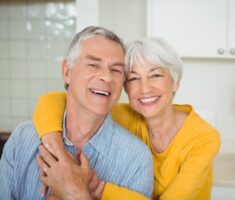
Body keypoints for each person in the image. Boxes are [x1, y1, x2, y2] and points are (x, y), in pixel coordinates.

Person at [33, 37, 221, 199]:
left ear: (176, 82)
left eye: (155, 75)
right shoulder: (127, 115)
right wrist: (58, 152)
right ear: (126, 89)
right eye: (133, 78)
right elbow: (57, 100)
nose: (144, 88)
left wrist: (93, 187)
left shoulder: (204, 138)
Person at [0, 26, 154, 200]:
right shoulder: (22, 138)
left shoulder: (136, 160)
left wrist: (74, 192)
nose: (107, 77)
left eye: (116, 70)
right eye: (94, 65)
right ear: (67, 72)